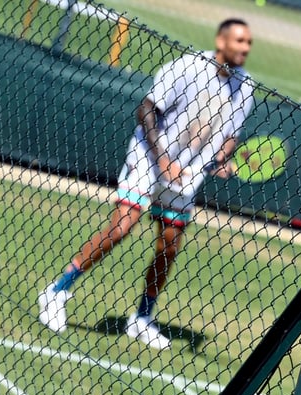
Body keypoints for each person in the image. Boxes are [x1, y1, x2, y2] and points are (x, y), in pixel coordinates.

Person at [38, 18, 255, 349]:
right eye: (240, 41)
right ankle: (57, 291)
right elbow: (146, 109)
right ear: (221, 41)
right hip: (148, 158)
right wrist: (163, 159)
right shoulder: (189, 67)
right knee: (122, 227)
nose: (245, 48)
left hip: (187, 171)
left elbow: (230, 135)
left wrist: (221, 160)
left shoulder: (246, 86)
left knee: (169, 244)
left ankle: (142, 318)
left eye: (249, 43)